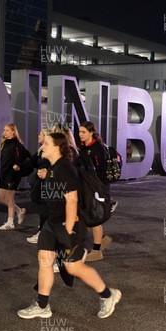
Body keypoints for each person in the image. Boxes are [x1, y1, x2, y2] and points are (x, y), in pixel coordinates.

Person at [17, 132, 121, 319]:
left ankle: (108, 295)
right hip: (52, 222)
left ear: (57, 147)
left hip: (68, 225)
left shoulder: (65, 167)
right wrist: (45, 175)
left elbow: (71, 199)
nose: (42, 146)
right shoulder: (53, 166)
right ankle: (42, 306)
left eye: (47, 143)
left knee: (73, 268)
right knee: (44, 259)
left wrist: (68, 228)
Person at [77, 121, 113, 262]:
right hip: (88, 187)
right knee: (89, 217)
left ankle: (97, 251)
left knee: (94, 218)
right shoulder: (84, 146)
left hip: (97, 188)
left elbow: (101, 172)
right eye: (79, 132)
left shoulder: (97, 148)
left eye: (83, 132)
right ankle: (101, 240)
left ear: (91, 133)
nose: (80, 135)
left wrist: (98, 191)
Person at [0, 123, 26, 230]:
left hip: (12, 175)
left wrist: (18, 165)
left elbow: (22, 158)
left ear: (13, 132)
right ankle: (18, 210)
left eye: (7, 130)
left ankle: (10, 223)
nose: (4, 132)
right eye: (4, 130)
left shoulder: (17, 144)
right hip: (3, 174)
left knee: (9, 198)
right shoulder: (5, 143)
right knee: (0, 198)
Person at [26, 129, 51, 244]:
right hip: (42, 182)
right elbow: (32, 161)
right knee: (43, 209)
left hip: (46, 184)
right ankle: (43, 232)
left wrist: (48, 173)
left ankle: (43, 233)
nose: (38, 135)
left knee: (45, 209)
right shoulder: (41, 150)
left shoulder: (49, 152)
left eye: (40, 134)